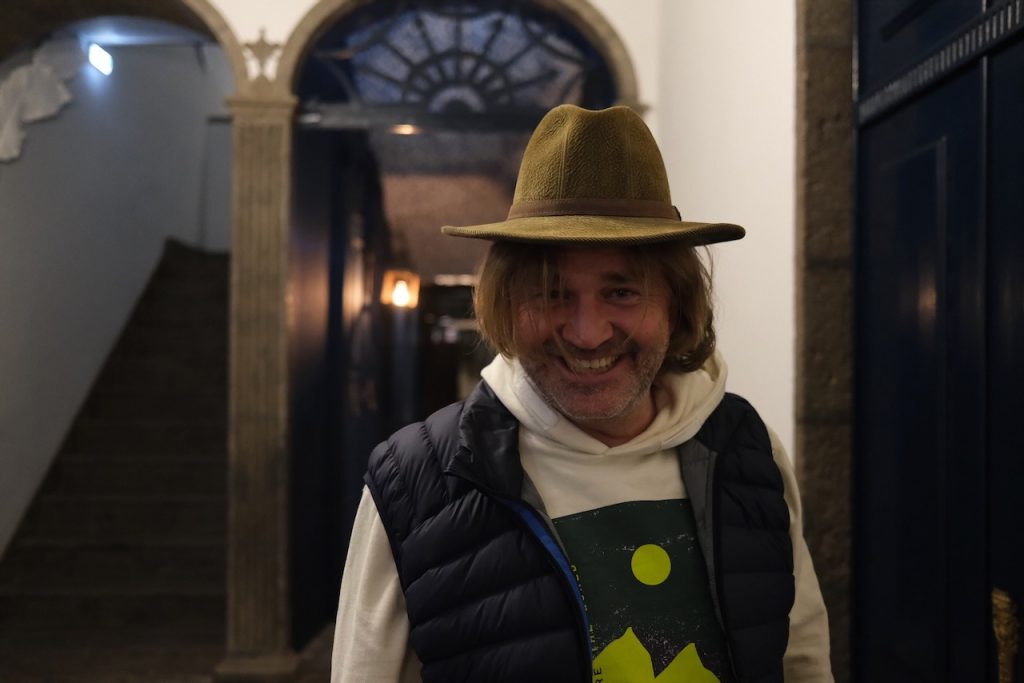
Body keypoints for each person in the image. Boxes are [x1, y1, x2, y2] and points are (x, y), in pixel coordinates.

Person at [332, 104, 833, 683]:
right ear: (506, 304)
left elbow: (802, 661)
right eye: (551, 293)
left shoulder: (746, 450)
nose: (588, 333)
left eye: (621, 292)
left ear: (675, 305)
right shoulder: (416, 482)